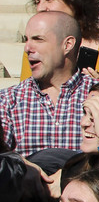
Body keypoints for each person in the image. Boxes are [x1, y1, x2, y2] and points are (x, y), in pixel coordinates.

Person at [3, 12, 94, 158]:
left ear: (67, 45)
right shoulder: (7, 100)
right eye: (26, 40)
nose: (27, 48)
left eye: (38, 39)